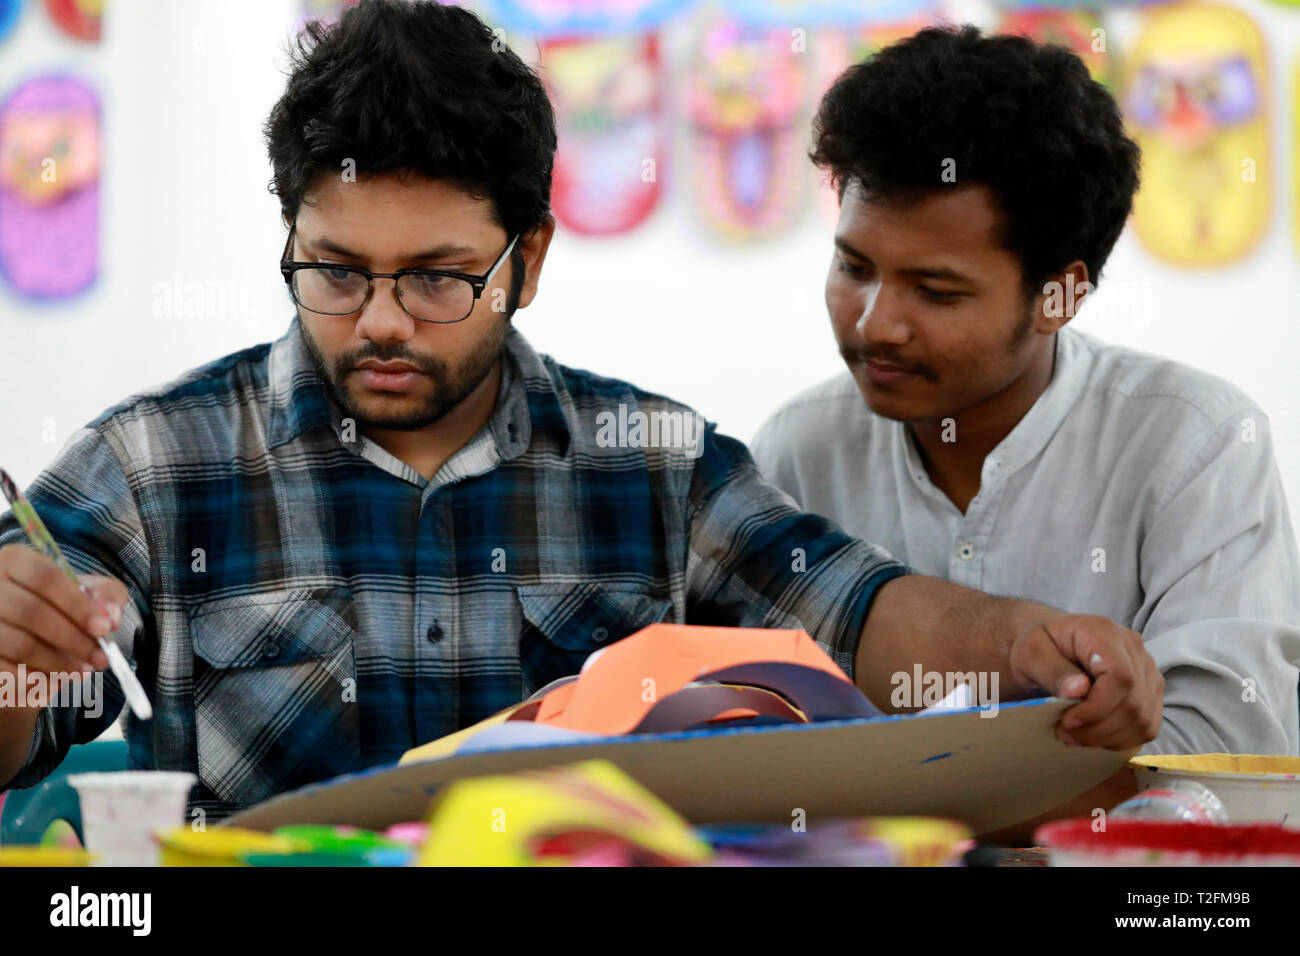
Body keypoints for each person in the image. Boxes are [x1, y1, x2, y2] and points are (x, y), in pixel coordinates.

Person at [0, 3, 1160, 821]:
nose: (380, 322)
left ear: (531, 258)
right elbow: (18, 733)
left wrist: (1019, 643)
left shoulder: (653, 467)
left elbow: (855, 613)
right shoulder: (152, 465)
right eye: (335, 271)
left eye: (439, 277)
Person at [752, 26, 1300, 763]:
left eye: (936, 291)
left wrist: (907, 783)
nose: (877, 325)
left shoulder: (1195, 445)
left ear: (1059, 295)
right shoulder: (798, 450)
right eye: (854, 268)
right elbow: (744, 719)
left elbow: (1216, 757)